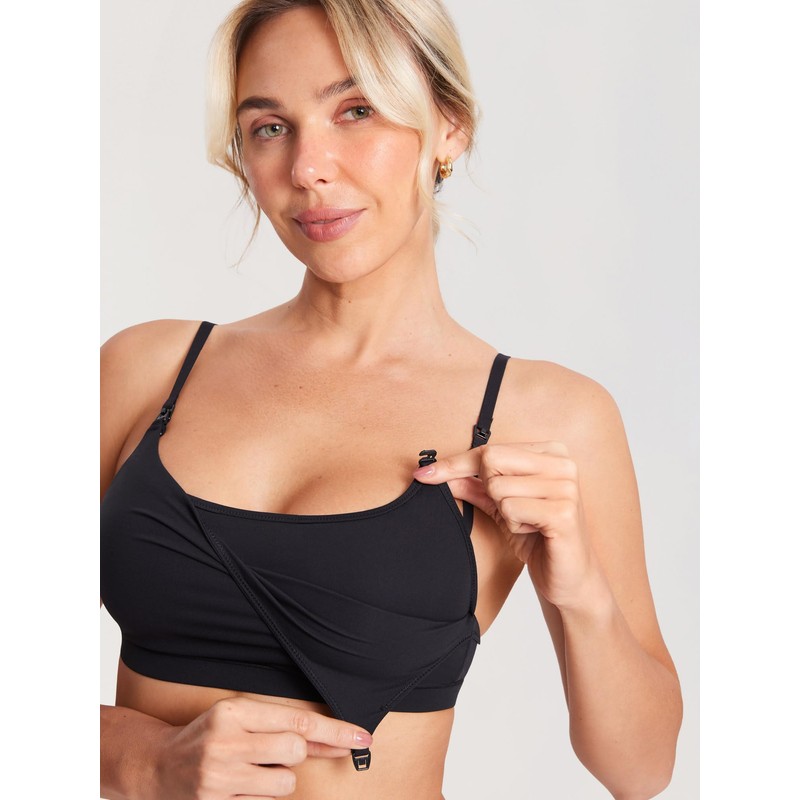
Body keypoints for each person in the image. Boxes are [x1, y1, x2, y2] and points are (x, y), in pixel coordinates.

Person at [100, 1, 683, 798]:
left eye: (356, 111)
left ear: (450, 126)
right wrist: (140, 759)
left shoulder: (547, 416)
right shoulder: (148, 371)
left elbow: (642, 770)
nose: (309, 167)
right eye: (270, 127)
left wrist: (579, 591)